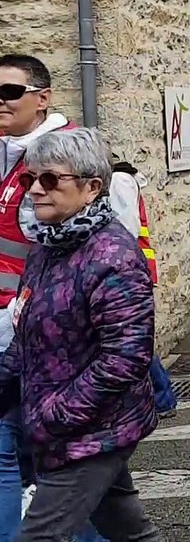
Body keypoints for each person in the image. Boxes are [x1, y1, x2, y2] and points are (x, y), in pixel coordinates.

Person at [0, 128, 161, 540]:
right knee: (127, 529)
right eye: (28, 179)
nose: (35, 189)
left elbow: (126, 358)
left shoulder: (113, 258)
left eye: (50, 179)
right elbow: (27, 335)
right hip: (63, 429)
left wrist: (55, 417)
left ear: (91, 188)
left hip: (92, 432)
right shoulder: (47, 248)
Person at [0, 54, 76, 537]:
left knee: (50, 457)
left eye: (10, 93)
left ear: (42, 99)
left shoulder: (56, 162)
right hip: (9, 332)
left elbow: (77, 255)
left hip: (37, 333)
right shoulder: (8, 154)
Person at [109, 157, 177, 418]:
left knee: (132, 339)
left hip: (127, 270)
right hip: (129, 268)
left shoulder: (118, 181)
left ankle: (162, 397)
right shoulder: (120, 179)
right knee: (131, 338)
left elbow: (126, 228)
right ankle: (159, 398)